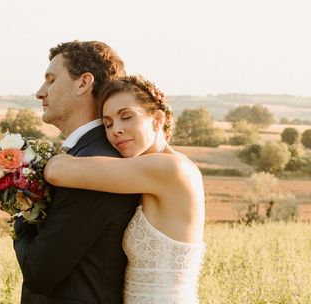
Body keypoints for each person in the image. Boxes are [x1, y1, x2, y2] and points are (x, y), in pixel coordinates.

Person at [44, 76, 206, 304]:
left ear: (157, 119)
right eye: (108, 124)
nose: (115, 131)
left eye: (126, 117)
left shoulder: (170, 169)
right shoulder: (156, 171)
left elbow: (57, 170)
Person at [13, 40, 140, 304]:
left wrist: (19, 208)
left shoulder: (94, 167)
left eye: (51, 80)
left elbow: (39, 273)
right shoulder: (79, 157)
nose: (40, 92)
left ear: (83, 83)